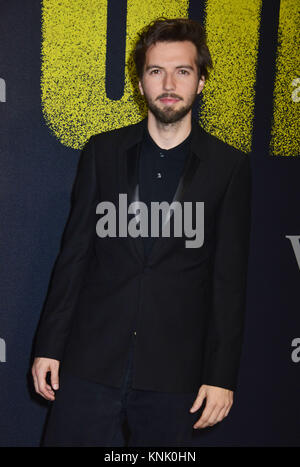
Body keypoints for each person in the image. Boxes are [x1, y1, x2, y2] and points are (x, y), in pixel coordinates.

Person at [31, 17, 252, 447]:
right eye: (156, 71)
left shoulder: (230, 167)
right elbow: (74, 256)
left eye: (182, 71)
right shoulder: (102, 152)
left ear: (201, 82)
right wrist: (49, 345)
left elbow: (230, 283)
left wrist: (221, 376)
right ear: (139, 84)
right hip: (89, 363)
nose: (169, 82)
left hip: (175, 375)